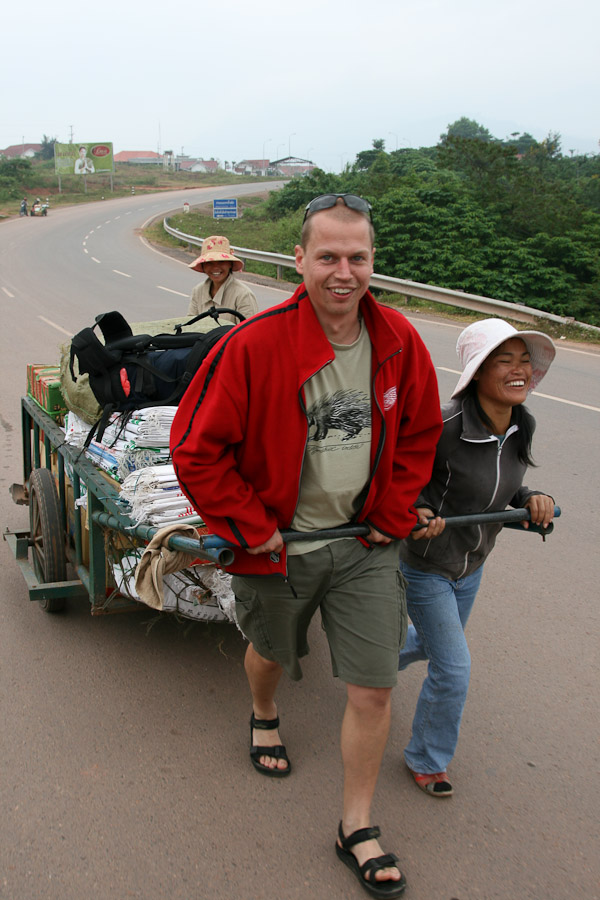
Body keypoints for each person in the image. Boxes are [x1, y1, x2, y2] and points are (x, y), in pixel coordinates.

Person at [171, 193, 443, 897]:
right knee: (271, 652)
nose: (344, 271)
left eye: (358, 256)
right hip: (278, 545)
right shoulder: (255, 345)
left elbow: (417, 435)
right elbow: (197, 450)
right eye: (329, 256)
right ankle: (264, 713)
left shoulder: (400, 341)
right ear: (300, 260)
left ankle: (356, 825)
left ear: (372, 260)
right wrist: (251, 525)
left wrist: (393, 508)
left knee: (374, 690)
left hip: (364, 546)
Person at [397, 317, 556, 798]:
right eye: (504, 360)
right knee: (454, 668)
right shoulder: (444, 426)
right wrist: (417, 509)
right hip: (427, 566)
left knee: (429, 647)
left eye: (524, 361)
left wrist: (531, 499)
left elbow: (500, 488)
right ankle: (426, 759)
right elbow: (402, 482)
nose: (519, 370)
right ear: (478, 372)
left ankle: (367, 660)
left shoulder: (518, 427)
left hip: (472, 566)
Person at [187, 235, 258, 324]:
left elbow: (248, 332)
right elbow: (189, 326)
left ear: (230, 264)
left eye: (221, 262)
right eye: (209, 263)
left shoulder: (243, 295)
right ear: (203, 266)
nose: (215, 267)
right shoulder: (197, 291)